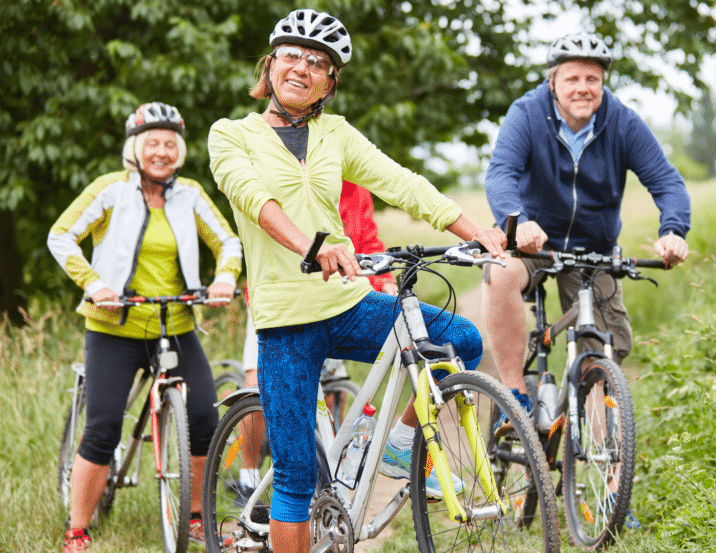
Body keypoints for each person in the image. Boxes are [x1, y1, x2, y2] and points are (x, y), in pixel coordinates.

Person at [206, 10, 506, 553]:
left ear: (329, 82)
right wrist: (311, 244)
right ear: (270, 65)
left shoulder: (335, 133)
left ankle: (398, 444)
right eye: (292, 56)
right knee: (296, 475)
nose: (302, 68)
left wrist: (473, 229)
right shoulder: (232, 135)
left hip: (348, 303)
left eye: (317, 62)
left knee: (460, 339)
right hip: (285, 319)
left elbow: (401, 182)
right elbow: (253, 198)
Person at [480, 32, 692, 527]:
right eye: (572, 77)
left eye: (592, 78)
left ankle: (611, 493)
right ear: (553, 81)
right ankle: (514, 394)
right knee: (499, 271)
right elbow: (501, 173)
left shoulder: (620, 121)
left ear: (603, 83)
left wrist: (673, 231)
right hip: (534, 242)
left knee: (599, 363)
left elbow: (665, 180)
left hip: (594, 251)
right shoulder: (527, 114)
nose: (583, 87)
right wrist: (517, 219)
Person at [48, 102, 243, 552]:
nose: (162, 151)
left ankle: (195, 518)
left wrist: (225, 275)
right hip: (114, 327)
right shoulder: (110, 190)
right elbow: (61, 235)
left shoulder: (190, 194)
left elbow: (227, 239)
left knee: (202, 418)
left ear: (180, 150)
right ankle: (77, 527)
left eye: (170, 143)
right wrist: (94, 283)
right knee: (103, 428)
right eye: (152, 143)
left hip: (174, 323)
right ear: (135, 149)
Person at [232, 181, 398, 499]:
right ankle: (249, 476)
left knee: (333, 388)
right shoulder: (287, 178)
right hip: (280, 302)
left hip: (336, 301)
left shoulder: (354, 190)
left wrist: (385, 280)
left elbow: (368, 241)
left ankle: (328, 476)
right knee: (256, 386)